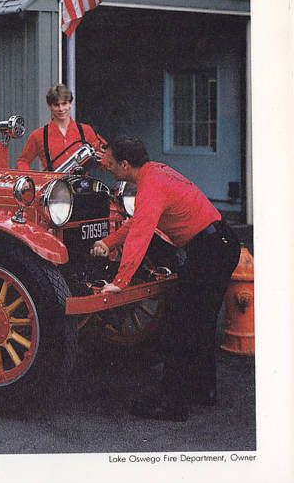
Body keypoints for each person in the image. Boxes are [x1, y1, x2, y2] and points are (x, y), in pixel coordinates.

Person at [90, 136, 241, 422]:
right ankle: (203, 391)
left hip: (209, 251)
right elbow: (139, 221)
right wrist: (110, 242)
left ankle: (172, 405)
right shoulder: (155, 172)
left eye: (110, 162)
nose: (107, 166)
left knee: (178, 325)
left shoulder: (151, 185)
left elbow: (141, 233)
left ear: (125, 164)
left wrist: (120, 282)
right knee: (202, 322)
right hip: (220, 243)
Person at [16, 84, 104, 171]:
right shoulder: (38, 135)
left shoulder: (86, 131)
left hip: (81, 184)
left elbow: (104, 159)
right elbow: (23, 161)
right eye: (56, 105)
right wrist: (29, 181)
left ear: (70, 104)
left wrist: (102, 159)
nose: (61, 109)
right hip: (52, 184)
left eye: (64, 104)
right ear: (49, 106)